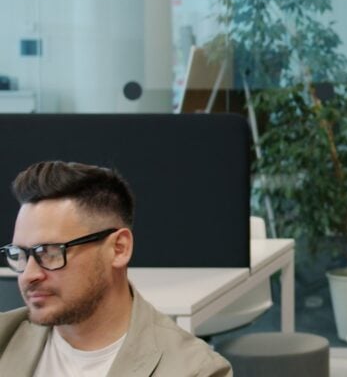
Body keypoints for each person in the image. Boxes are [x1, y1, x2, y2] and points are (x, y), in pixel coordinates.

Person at [0, 161, 233, 376]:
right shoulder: (6, 339)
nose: (29, 275)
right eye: (20, 254)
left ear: (119, 249)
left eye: (50, 252)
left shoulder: (195, 370)